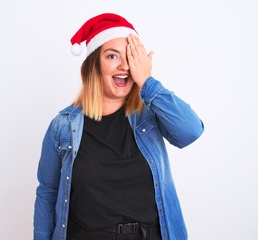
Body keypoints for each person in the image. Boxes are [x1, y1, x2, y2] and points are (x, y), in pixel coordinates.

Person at [33, 13, 204, 240]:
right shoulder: (63, 127)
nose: (124, 65)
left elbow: (191, 131)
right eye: (112, 56)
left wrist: (147, 82)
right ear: (94, 65)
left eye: (130, 58)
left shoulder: (150, 116)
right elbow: (48, 192)